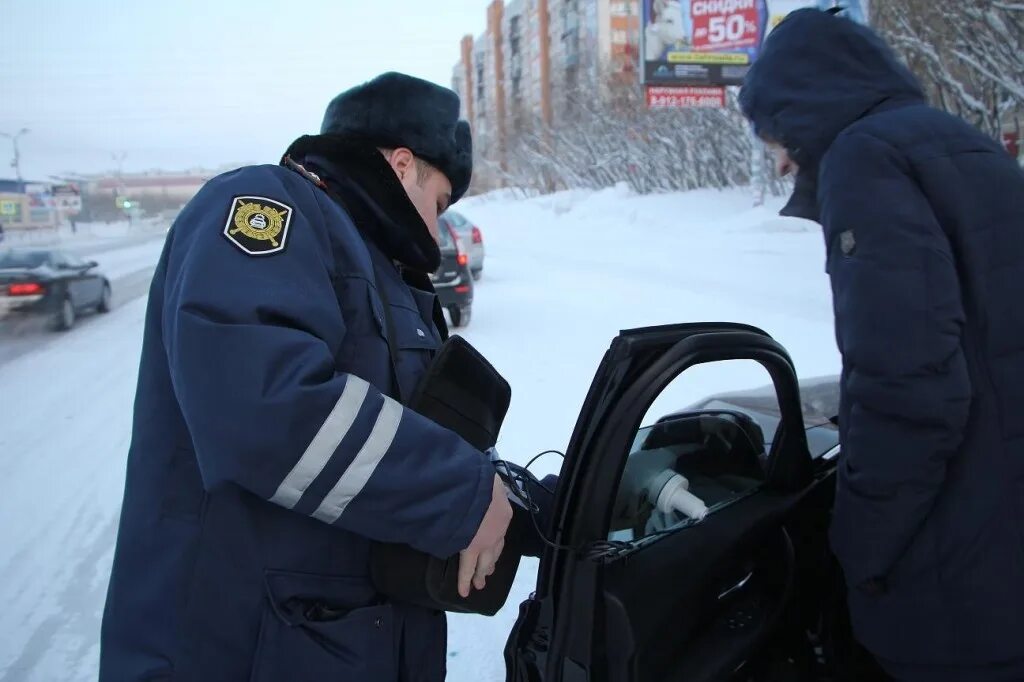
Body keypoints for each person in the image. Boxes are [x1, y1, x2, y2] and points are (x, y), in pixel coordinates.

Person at [100, 72, 515, 682]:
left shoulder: (389, 277)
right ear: (403, 165)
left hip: (340, 644)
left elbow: (402, 434)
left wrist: (517, 498)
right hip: (233, 648)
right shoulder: (271, 204)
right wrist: (458, 494)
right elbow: (262, 406)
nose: (436, 229)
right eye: (441, 202)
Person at [740, 9, 1024, 681]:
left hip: (958, 592)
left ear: (804, 105)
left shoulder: (863, 160)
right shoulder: (967, 146)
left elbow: (908, 385)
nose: (777, 158)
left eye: (772, 131)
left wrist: (858, 545)